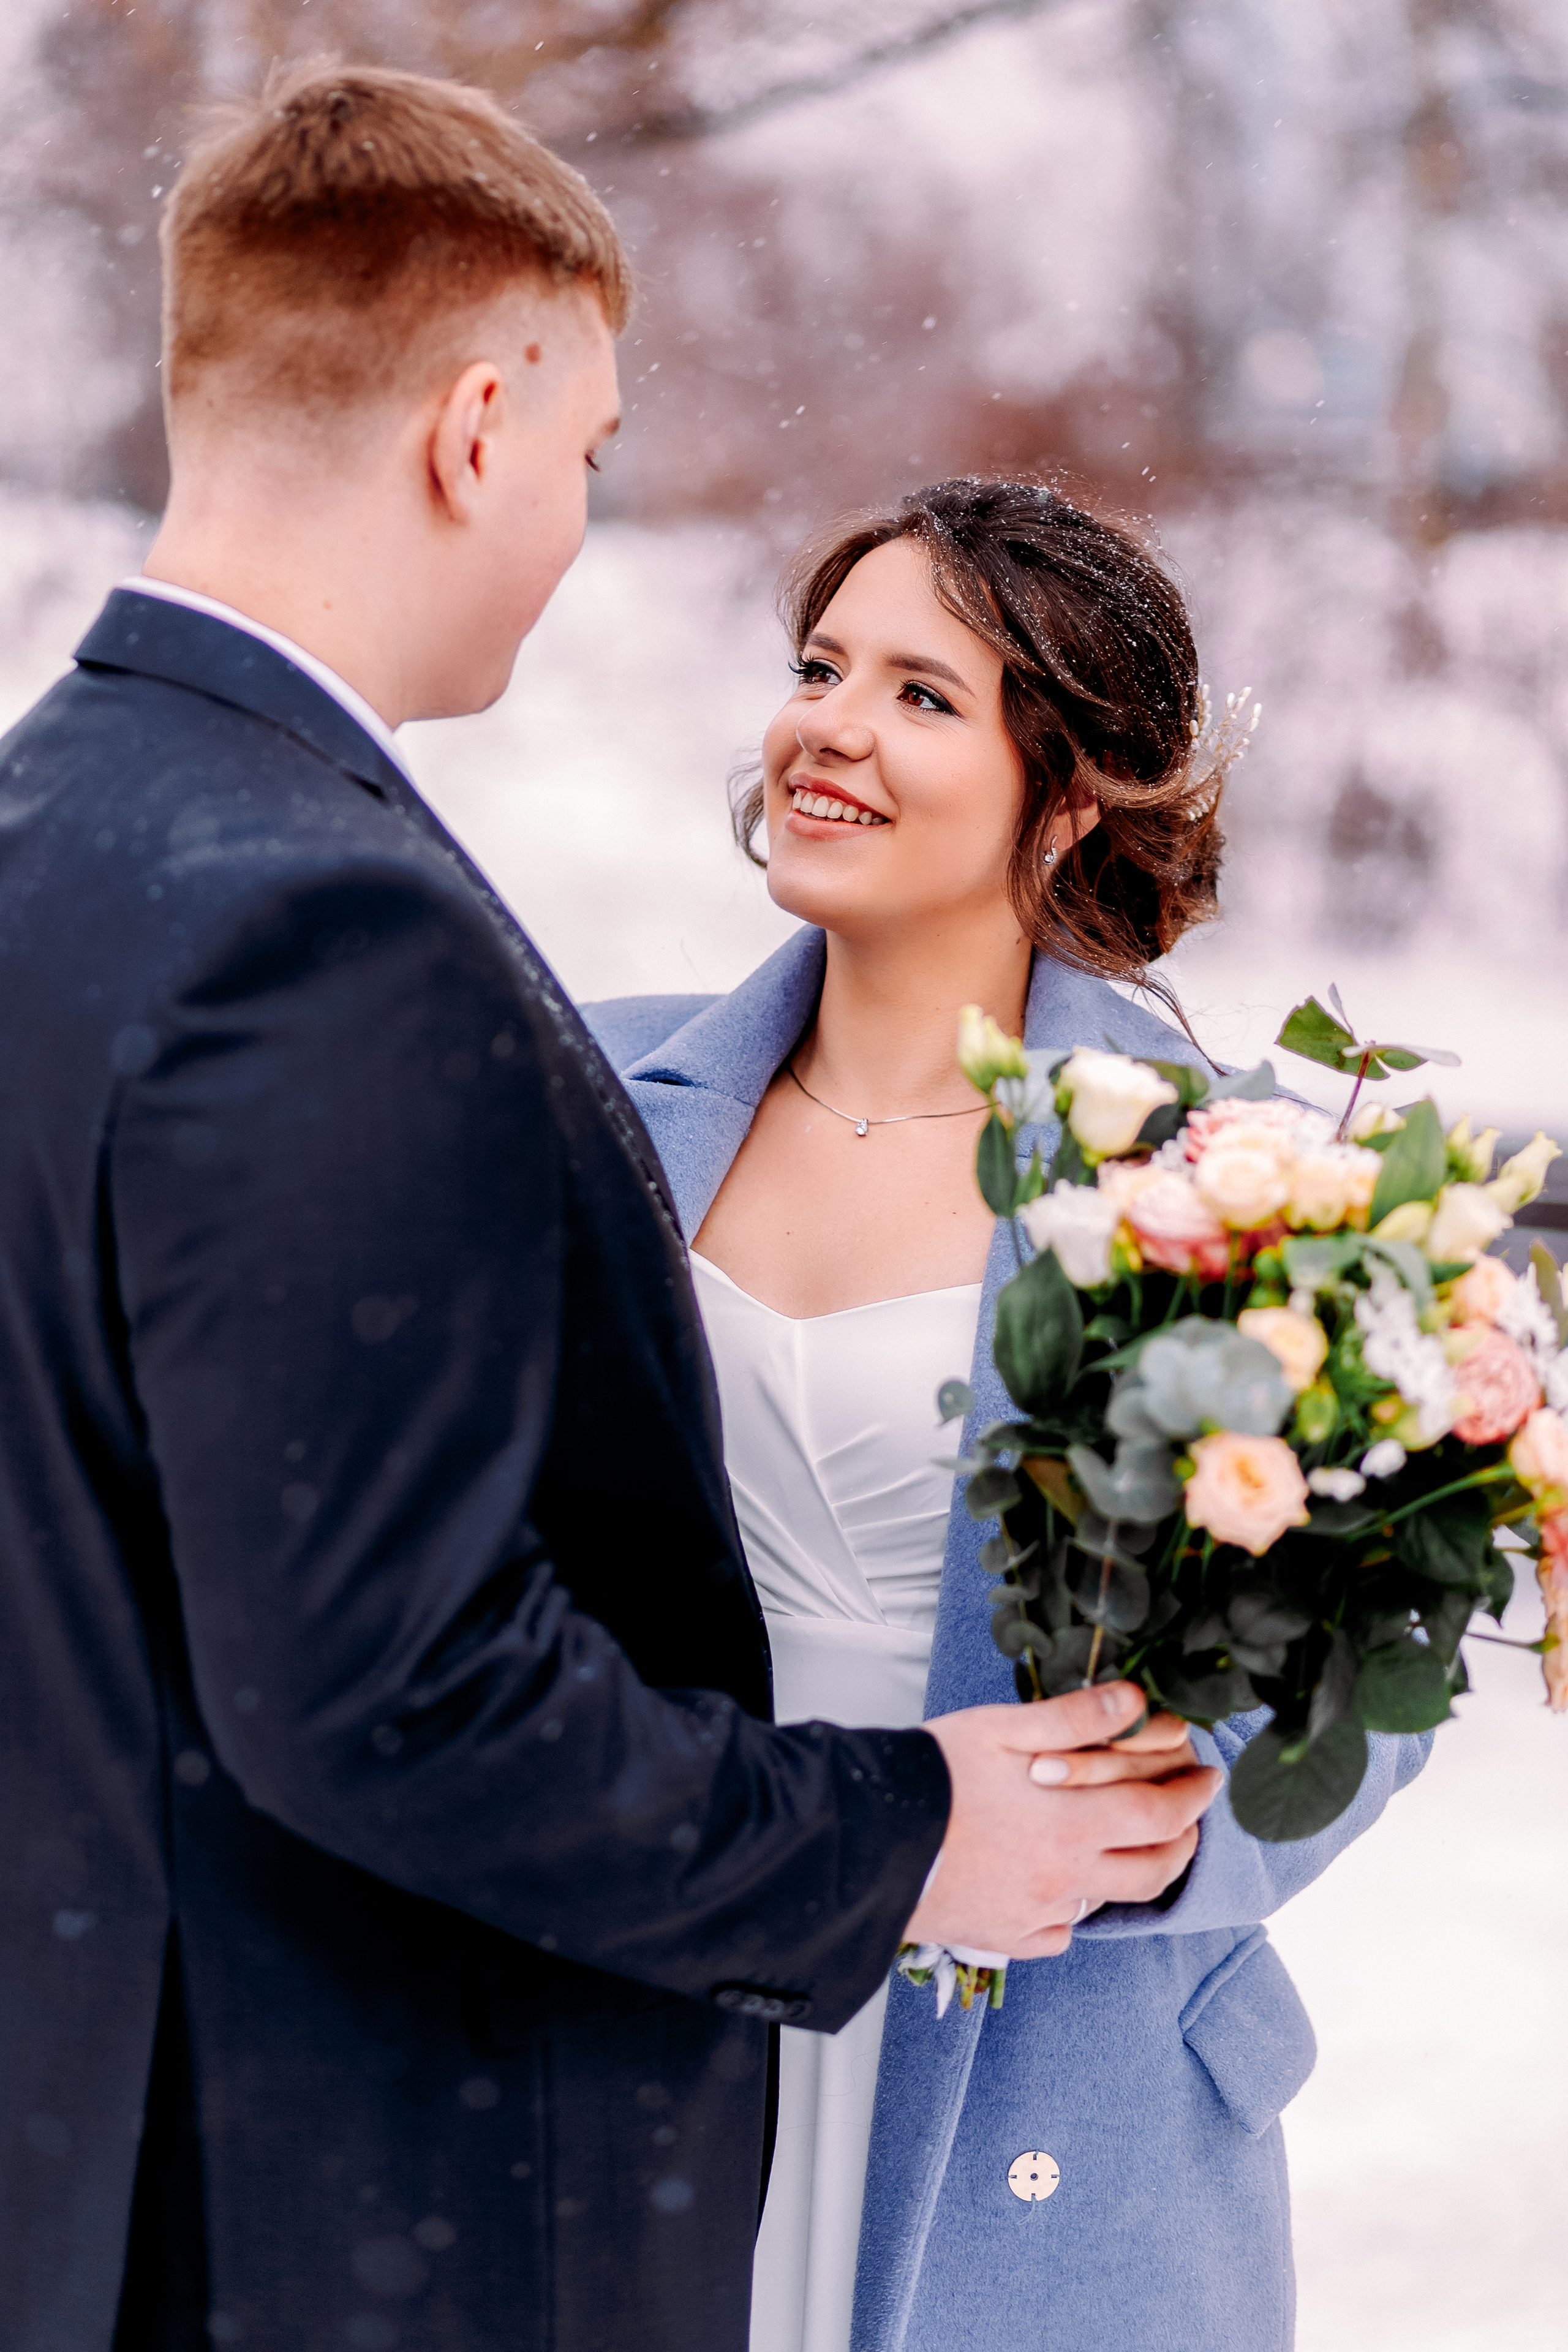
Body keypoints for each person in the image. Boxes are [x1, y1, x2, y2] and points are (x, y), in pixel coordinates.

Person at [0, 73, 1221, 2352]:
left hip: (198, 2124)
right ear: (478, 430)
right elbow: (386, 1686)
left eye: (921, 689)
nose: (578, 521)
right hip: (356, 2146)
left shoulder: (52, 828)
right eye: (589, 453)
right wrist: (891, 1838)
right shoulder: (335, 930)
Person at [586, 478, 1434, 2352]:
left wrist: (1131, 1842)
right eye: (820, 669)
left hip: (1051, 2070)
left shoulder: (1229, 1176)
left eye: (921, 694)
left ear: (1068, 800)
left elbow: (1372, 1666)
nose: (830, 727)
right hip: (652, 1982)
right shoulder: (593, 1093)